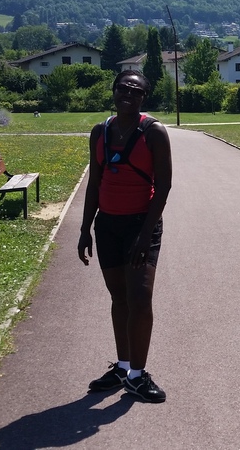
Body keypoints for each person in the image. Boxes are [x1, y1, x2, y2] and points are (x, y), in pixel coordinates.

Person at [78, 70, 172, 403]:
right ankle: (122, 366)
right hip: (107, 226)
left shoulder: (154, 133)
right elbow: (94, 182)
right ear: (114, 91)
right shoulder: (99, 132)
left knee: (140, 298)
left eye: (135, 91)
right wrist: (85, 228)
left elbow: (163, 186)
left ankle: (137, 375)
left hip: (140, 226)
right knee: (119, 298)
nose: (128, 95)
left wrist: (146, 235)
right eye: (123, 89)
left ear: (144, 97)